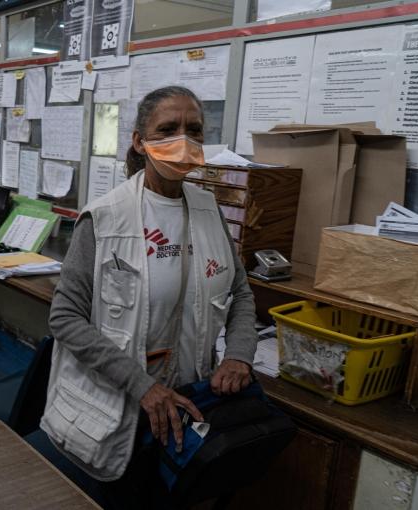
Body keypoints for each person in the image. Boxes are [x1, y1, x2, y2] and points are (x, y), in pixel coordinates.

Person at [39, 86, 258, 508]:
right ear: (140, 141)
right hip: (123, 404)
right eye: (168, 129)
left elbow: (240, 292)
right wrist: (141, 386)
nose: (183, 140)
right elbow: (65, 318)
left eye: (193, 130)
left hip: (190, 402)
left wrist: (239, 354)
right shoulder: (105, 218)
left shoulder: (210, 210)